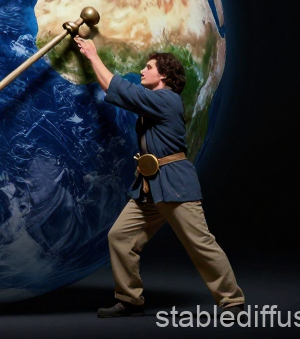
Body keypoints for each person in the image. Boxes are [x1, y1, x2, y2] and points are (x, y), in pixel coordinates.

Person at [73, 35, 245, 318]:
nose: (142, 70)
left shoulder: (166, 99)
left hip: (175, 182)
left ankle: (232, 301)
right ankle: (130, 300)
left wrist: (92, 55)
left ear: (163, 75)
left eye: (148, 67)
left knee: (199, 242)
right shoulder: (155, 100)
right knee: (120, 237)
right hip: (150, 184)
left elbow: (119, 88)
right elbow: (116, 89)